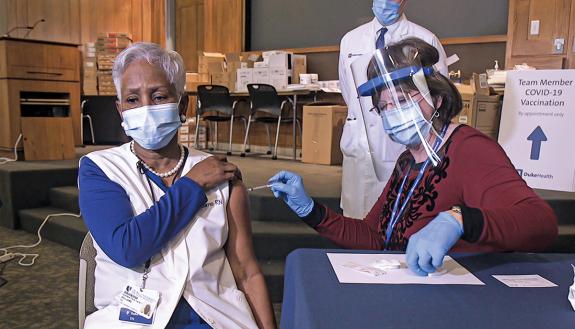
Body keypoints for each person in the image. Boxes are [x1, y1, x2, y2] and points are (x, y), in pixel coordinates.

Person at [270, 38, 558, 276]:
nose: (393, 112)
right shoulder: (408, 161)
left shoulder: (469, 148)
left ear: (438, 99)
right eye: (384, 106)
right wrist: (310, 209)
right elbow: (374, 237)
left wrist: (458, 220)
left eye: (403, 100)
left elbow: (540, 223)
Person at [78, 43, 276, 329]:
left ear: (182, 105)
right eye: (132, 99)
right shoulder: (100, 169)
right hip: (131, 319)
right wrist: (193, 184)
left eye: (158, 96)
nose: (145, 108)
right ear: (120, 110)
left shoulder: (221, 174)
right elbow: (127, 247)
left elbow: (246, 271)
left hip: (213, 316)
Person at [339, 0, 449, 219]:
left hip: (403, 146)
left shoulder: (426, 40)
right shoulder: (350, 40)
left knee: (399, 219)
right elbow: (348, 92)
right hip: (360, 149)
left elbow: (440, 97)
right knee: (356, 224)